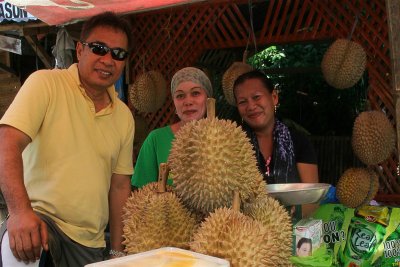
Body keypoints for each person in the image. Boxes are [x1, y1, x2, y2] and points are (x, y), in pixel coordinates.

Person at [0, 11, 134, 266]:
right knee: (20, 249)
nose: (108, 60)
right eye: (99, 49)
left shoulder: (124, 117)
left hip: (90, 242)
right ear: (80, 50)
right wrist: (19, 212)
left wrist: (118, 255)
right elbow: (7, 141)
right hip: (41, 221)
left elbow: (119, 188)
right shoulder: (46, 84)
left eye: (118, 54)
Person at [233, 70, 318, 185]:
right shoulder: (233, 143)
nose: (251, 106)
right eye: (242, 102)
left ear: (274, 97)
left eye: (256, 97)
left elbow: (311, 198)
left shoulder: (299, 141)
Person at [132, 67, 212, 188]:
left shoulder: (226, 139)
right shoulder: (156, 139)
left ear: (208, 99)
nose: (188, 101)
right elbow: (142, 193)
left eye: (195, 93)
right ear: (174, 103)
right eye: (180, 96)